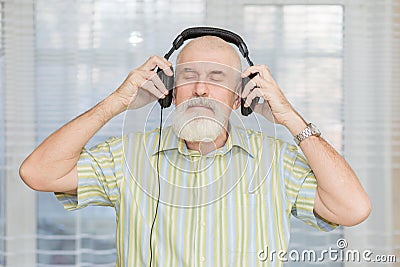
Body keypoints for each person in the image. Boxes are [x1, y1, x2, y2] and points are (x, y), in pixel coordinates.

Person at [19, 35, 371, 266]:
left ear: (240, 97)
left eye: (217, 77)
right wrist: (116, 102)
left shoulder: (276, 160)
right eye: (188, 76)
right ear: (170, 92)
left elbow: (353, 208)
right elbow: (38, 173)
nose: (201, 88)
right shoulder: (127, 155)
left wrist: (292, 118)